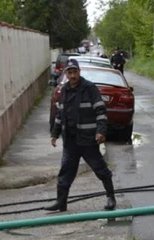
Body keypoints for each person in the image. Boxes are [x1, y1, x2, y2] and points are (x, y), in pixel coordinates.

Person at [47, 58, 116, 212]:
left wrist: (100, 131)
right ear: (66, 74)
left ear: (79, 72)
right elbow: (60, 114)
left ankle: (111, 197)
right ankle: (61, 202)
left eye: (75, 72)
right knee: (65, 172)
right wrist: (54, 134)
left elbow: (100, 111)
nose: (72, 76)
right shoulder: (64, 90)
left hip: (88, 140)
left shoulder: (89, 88)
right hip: (70, 141)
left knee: (100, 169)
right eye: (70, 73)